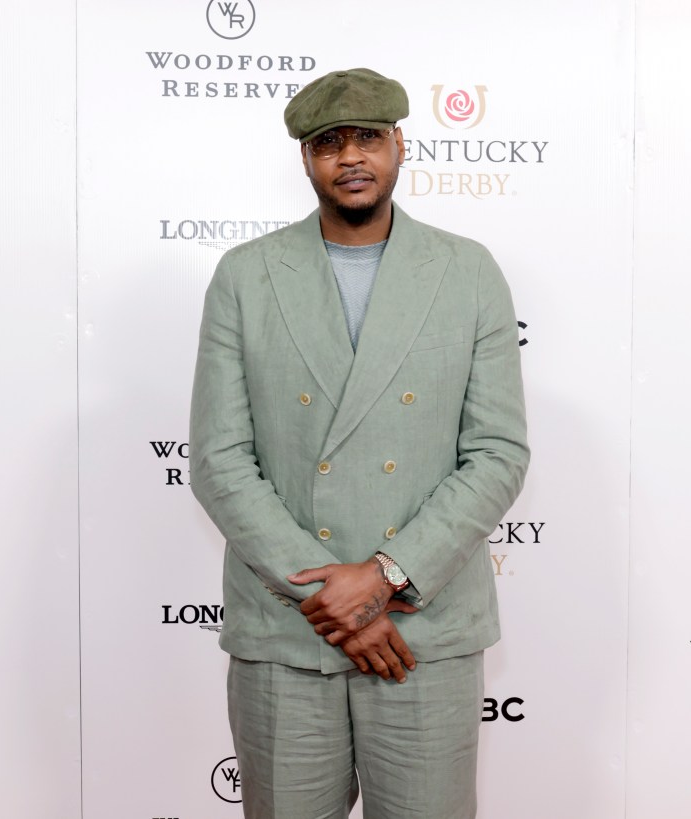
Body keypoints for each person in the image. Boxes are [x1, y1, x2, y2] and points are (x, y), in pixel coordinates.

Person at [190, 67, 529, 819]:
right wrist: (332, 595)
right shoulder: (245, 277)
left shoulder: (468, 272)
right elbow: (218, 459)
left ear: (399, 145)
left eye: (368, 138)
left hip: (422, 632)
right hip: (287, 630)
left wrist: (384, 574)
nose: (351, 157)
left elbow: (499, 450)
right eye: (328, 142)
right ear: (305, 159)